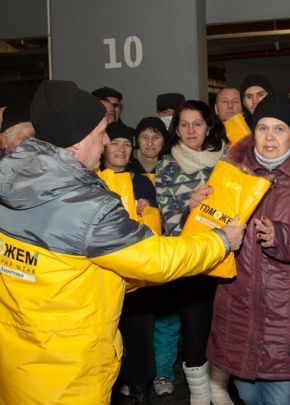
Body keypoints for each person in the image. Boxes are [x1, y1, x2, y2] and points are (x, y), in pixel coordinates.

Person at [0, 80, 245, 405]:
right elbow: (156, 259)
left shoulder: (11, 181)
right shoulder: (84, 206)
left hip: (16, 363)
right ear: (77, 141)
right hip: (67, 374)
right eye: (102, 133)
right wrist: (220, 240)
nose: (107, 141)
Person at [206, 93, 290, 405]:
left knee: (281, 399)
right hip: (239, 310)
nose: (269, 137)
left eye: (279, 129)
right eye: (263, 128)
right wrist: (196, 209)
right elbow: (205, 232)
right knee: (247, 394)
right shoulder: (231, 173)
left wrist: (281, 237)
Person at [154, 99, 228, 403]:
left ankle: (219, 389)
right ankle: (199, 394)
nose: (191, 130)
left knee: (223, 329)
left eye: (197, 123)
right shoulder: (167, 166)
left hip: (226, 259)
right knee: (195, 330)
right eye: (183, 124)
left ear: (208, 126)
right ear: (176, 130)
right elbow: (170, 224)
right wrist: (191, 208)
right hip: (190, 262)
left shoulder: (226, 161)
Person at [98, 121, 159, 404]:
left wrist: (147, 210)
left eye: (126, 144)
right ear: (104, 146)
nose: (121, 149)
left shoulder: (141, 181)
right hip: (103, 273)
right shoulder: (93, 179)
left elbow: (156, 227)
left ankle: (140, 388)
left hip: (138, 273)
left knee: (140, 332)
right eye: (115, 143)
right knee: (107, 335)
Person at [130, 116, 168, 182]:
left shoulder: (172, 164)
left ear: (164, 141)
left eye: (156, 138)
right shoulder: (126, 163)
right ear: (137, 140)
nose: (150, 143)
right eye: (145, 137)